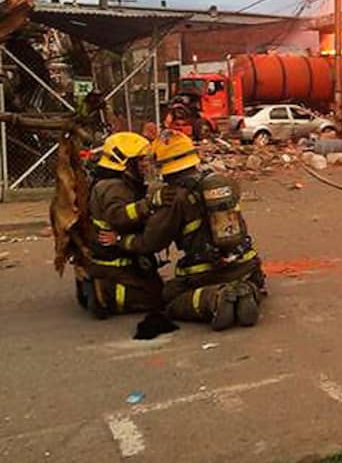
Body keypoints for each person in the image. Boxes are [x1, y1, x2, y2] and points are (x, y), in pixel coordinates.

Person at [115, 131, 265, 331]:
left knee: (170, 296)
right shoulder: (220, 183)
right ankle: (248, 290)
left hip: (206, 273)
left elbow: (151, 242)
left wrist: (121, 240)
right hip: (246, 265)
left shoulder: (173, 197)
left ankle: (215, 298)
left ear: (163, 165)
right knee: (244, 279)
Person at [81, 132, 173, 318]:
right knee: (158, 299)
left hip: (117, 255)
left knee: (155, 284)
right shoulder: (113, 187)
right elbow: (118, 216)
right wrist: (149, 204)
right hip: (115, 261)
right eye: (139, 160)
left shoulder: (116, 183)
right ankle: (107, 293)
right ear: (124, 162)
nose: (145, 164)